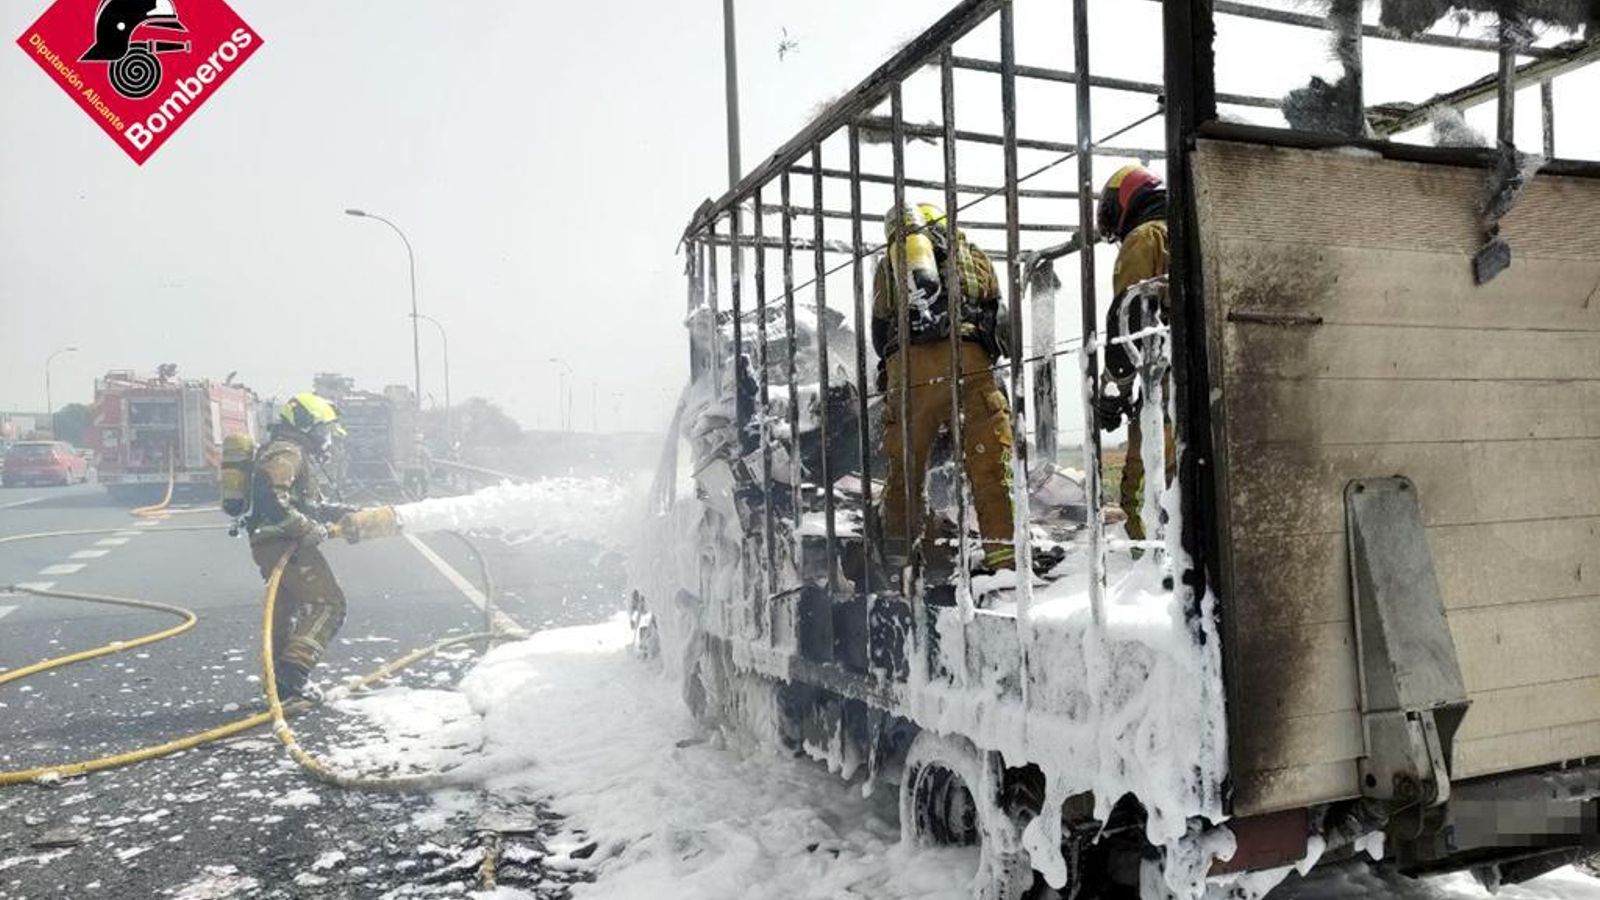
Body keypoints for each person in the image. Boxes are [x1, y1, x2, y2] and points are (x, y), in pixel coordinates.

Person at [872, 202, 1016, 574]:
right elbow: (1000, 320)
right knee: (989, 469)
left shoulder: (890, 266)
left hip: (909, 373)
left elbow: (879, 329)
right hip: (968, 362)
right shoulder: (974, 255)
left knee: (905, 473)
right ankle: (1005, 562)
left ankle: (898, 562)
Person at [245, 392, 355, 701]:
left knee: (284, 611)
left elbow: (304, 504)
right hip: (284, 545)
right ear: (308, 426)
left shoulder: (290, 451)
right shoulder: (287, 452)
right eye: (323, 431)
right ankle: (293, 674)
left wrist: (343, 513)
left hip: (272, 544)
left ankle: (279, 686)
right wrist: (306, 529)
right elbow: (270, 496)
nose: (326, 439)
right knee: (328, 605)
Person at [1095, 165, 1173, 543]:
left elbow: (1129, 320)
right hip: (1192, 368)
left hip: (1167, 377)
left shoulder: (1145, 236)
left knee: (1146, 479)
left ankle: (1152, 564)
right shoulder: (1188, 225)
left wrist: (1115, 391)